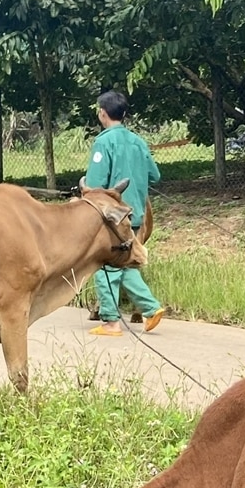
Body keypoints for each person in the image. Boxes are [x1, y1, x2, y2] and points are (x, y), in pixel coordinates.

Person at [86, 89, 164, 336]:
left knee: (105, 265)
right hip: (137, 215)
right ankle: (151, 310)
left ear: (102, 113)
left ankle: (110, 321)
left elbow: (95, 185)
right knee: (126, 263)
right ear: (124, 113)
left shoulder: (103, 142)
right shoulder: (138, 141)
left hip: (113, 218)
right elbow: (155, 175)